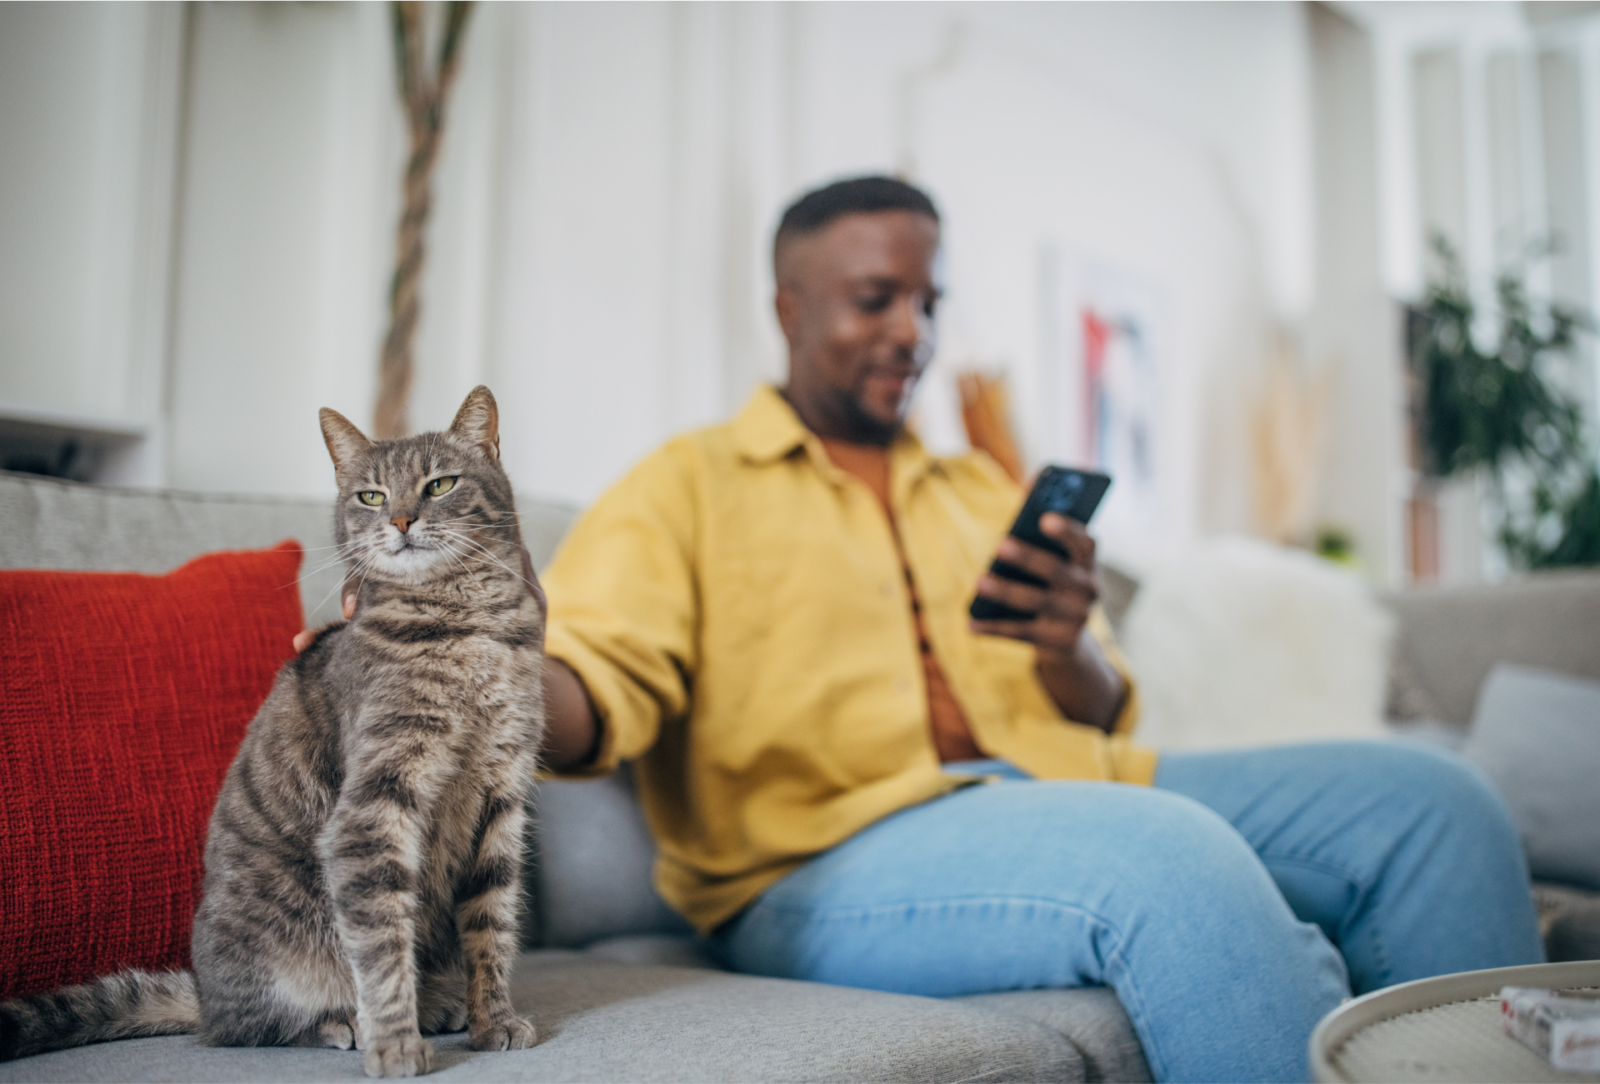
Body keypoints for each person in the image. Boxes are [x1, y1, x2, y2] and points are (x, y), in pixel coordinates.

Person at [307, 177, 1543, 1084]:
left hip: (1057, 778)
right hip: (823, 853)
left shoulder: (975, 489)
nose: (911, 328)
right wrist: (477, 640)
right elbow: (592, 694)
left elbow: (1101, 710)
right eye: (873, 297)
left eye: (926, 298)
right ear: (787, 304)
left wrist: (1072, 651)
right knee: (1166, 862)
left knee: (1437, 804)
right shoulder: (684, 484)